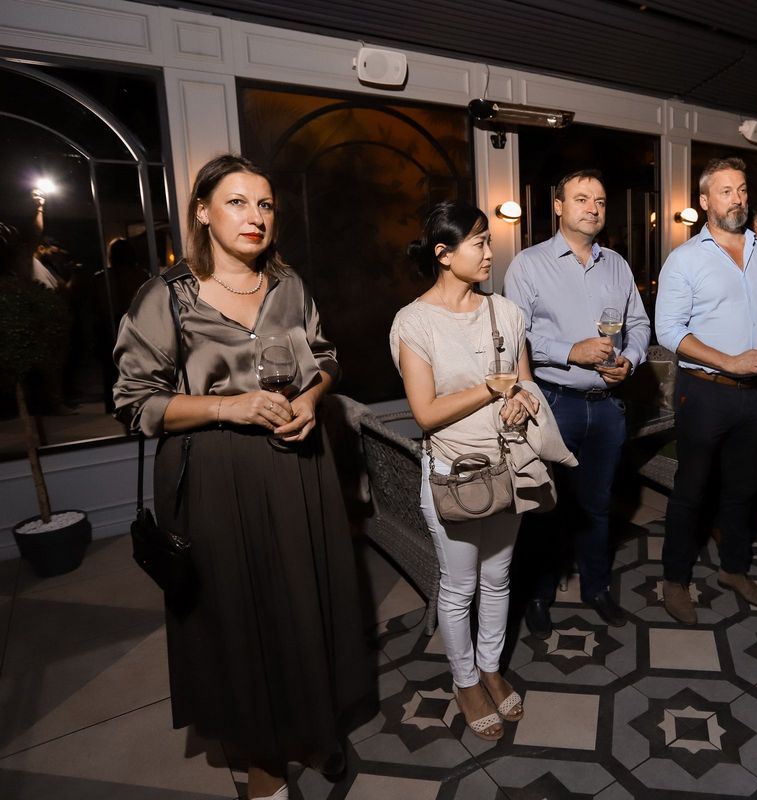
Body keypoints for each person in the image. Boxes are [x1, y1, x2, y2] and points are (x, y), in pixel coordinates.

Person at [113, 154, 376, 800]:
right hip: (213, 473)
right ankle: (262, 759)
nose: (255, 216)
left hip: (298, 465)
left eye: (265, 204)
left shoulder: (289, 285)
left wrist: (311, 399)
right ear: (203, 212)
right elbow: (134, 403)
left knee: (304, 599)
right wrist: (227, 407)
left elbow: (325, 356)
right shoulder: (166, 296)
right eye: (237, 202)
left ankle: (312, 726)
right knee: (238, 612)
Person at [391, 200, 540, 742]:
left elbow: (525, 381)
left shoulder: (506, 313)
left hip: (508, 467)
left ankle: (491, 668)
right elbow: (426, 413)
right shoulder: (413, 322)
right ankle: (465, 680)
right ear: (444, 253)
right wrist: (491, 390)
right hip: (453, 477)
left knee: (498, 578)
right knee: (458, 588)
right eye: (478, 242)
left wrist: (521, 399)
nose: (489, 251)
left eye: (488, 240)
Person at [503, 168, 651, 637]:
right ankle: (539, 594)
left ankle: (597, 587)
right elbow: (516, 336)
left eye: (600, 201)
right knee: (546, 505)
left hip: (607, 405)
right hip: (553, 402)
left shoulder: (618, 265)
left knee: (598, 504)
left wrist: (629, 360)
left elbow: (639, 324)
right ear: (559, 206)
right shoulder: (528, 264)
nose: (593, 208)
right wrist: (571, 351)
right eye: (582, 199)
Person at [655, 157, 757, 624]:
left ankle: (734, 569)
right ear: (704, 201)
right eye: (726, 191)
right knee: (691, 490)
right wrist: (728, 360)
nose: (737, 199)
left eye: (742, 189)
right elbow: (669, 330)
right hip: (705, 391)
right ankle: (675, 579)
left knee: (744, 488)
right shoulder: (685, 259)